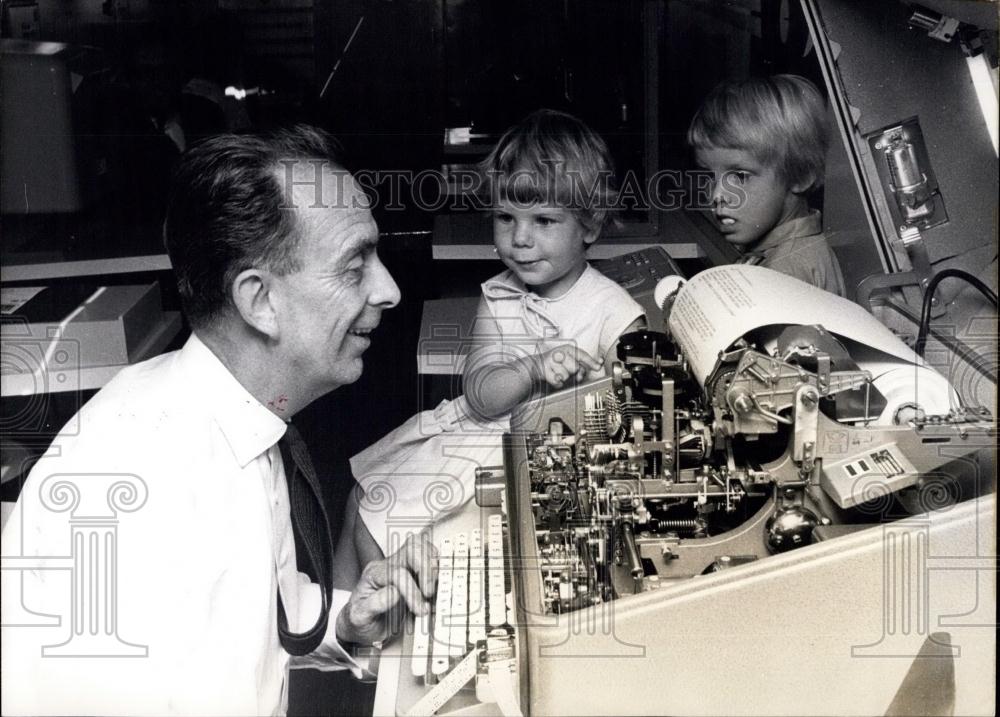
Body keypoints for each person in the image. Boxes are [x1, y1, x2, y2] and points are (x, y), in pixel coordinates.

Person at [0, 126, 436, 716]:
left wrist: (348, 618)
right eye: (354, 265)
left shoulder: (236, 413)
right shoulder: (147, 492)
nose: (388, 289)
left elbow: (268, 612)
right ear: (259, 301)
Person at [339, 109, 645, 578]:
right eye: (506, 217)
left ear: (590, 225)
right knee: (360, 500)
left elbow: (633, 419)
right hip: (477, 435)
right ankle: (345, 634)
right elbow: (481, 397)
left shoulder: (613, 309)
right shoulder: (499, 295)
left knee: (381, 526)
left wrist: (596, 389)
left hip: (539, 460)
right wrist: (532, 369)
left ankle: (376, 624)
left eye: (543, 220)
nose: (520, 239)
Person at [688, 74, 847, 297]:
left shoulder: (785, 274)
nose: (717, 195)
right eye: (709, 175)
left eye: (740, 176)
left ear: (801, 176)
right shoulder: (795, 249)